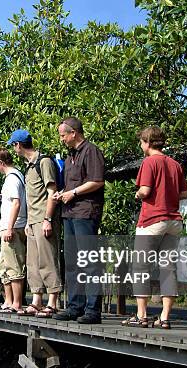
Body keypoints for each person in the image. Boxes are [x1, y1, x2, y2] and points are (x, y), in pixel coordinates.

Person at [121, 126, 187, 329]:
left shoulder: (149, 162)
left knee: (141, 267)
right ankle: (165, 317)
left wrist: (138, 194)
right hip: (174, 222)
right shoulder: (175, 164)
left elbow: (145, 190)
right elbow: (184, 194)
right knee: (168, 268)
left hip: (152, 221)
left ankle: (141, 315)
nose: (141, 146)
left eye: (141, 142)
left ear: (147, 142)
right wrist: (168, 194)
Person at [52, 117, 105, 324]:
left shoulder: (91, 151)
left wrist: (73, 192)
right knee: (72, 262)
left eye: (63, 135)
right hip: (69, 213)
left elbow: (97, 181)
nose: (61, 139)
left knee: (89, 261)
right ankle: (75, 306)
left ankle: (93, 310)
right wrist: (62, 193)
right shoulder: (69, 156)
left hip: (85, 212)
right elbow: (72, 184)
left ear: (74, 133)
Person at [9, 129, 63, 317]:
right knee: (33, 263)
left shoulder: (44, 162)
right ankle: (36, 301)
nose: (14, 150)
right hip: (32, 221)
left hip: (44, 219)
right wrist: (28, 222)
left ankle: (52, 302)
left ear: (18, 145)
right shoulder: (29, 166)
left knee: (48, 260)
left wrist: (48, 219)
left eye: (13, 145)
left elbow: (52, 193)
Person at [0, 148, 27, 313]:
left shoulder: (12, 179)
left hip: (13, 226)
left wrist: (10, 227)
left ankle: (16, 303)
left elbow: (17, 203)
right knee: (4, 266)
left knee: (14, 266)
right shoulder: (16, 177)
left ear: (1, 163)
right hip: (8, 226)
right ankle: (9, 301)